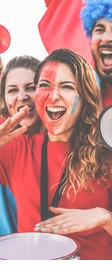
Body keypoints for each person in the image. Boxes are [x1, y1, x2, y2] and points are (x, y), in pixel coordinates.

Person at [0, 48, 112, 259]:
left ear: (85, 96)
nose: (53, 95)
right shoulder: (17, 148)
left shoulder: (110, 153)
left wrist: (104, 217)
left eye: (66, 87)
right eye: (44, 86)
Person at [0, 55, 42, 236]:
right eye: (12, 90)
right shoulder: (7, 144)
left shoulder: (69, 135)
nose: (22, 97)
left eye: (31, 88)